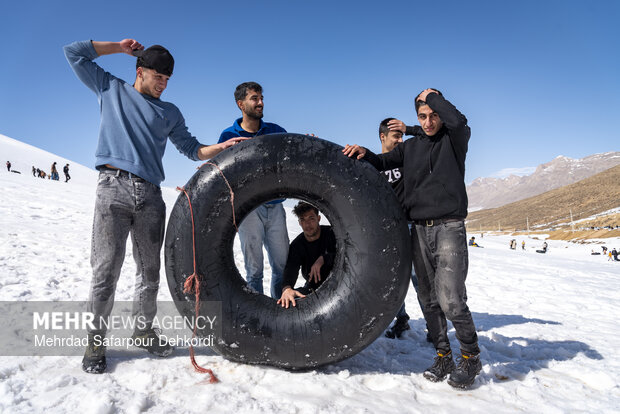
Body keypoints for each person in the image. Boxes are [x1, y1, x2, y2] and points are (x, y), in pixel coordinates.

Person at [64, 38, 245, 374]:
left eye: (167, 79)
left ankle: (143, 329)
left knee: (149, 273)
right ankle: (95, 340)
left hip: (150, 196)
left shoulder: (170, 112)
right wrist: (118, 47)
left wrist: (221, 147)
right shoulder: (111, 88)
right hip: (112, 189)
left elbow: (191, 148)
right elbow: (73, 53)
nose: (163, 83)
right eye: (158, 77)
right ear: (140, 71)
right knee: (106, 270)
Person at [343, 88, 481, 389]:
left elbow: (458, 121)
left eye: (434, 115)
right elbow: (381, 163)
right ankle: (444, 355)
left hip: (449, 227)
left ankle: (470, 357)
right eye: (422, 116)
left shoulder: (453, 140)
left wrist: (430, 97)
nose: (429, 121)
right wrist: (364, 153)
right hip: (418, 228)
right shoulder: (410, 148)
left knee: (451, 299)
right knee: (428, 299)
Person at [218, 82, 289, 299]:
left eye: (261, 98)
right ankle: (258, 320)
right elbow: (221, 176)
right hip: (249, 212)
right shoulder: (228, 135)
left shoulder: (277, 132)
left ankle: (280, 314)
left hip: (276, 207)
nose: (260, 102)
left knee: (282, 266)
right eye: (254, 98)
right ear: (241, 104)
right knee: (254, 270)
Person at [375, 118, 426, 340]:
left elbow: (426, 139)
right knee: (392, 279)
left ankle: (434, 327)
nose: (400, 140)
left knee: (418, 277)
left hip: (409, 225)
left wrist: (412, 130)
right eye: (396, 136)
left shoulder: (408, 161)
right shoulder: (371, 164)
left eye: (402, 136)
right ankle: (401, 319)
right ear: (382, 137)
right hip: (386, 230)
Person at [277, 202, 336, 308]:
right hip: (313, 288)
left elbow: (347, 256)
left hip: (339, 283)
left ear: (318, 218)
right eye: (303, 220)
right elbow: (291, 268)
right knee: (290, 300)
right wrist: (287, 288)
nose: (307, 224)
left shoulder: (332, 233)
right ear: (299, 223)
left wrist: (323, 258)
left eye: (311, 218)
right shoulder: (297, 245)